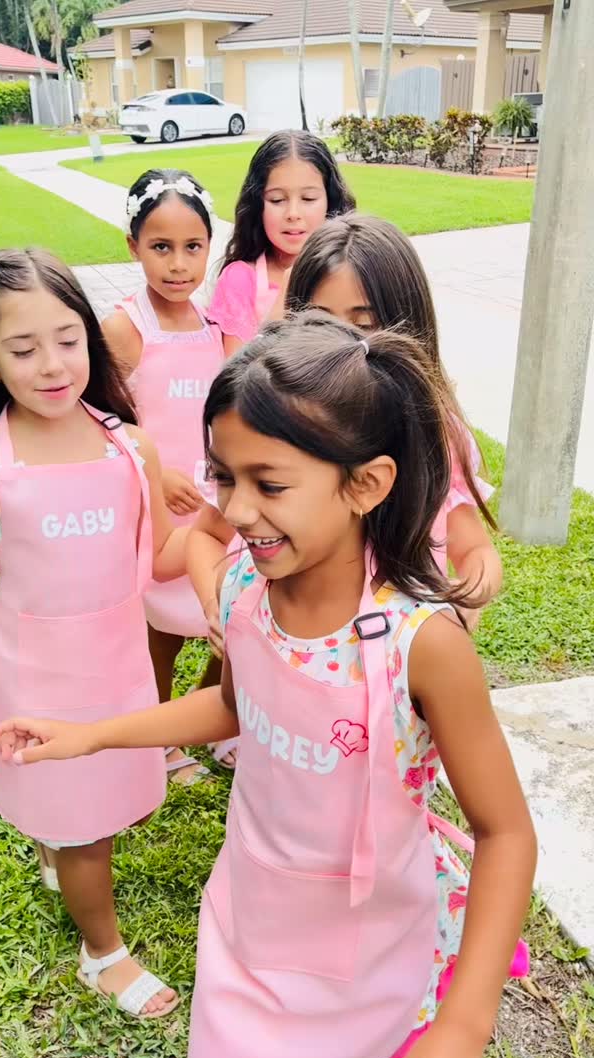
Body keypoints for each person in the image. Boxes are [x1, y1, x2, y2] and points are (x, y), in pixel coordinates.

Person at [0, 314, 536, 1058]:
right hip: (251, 926)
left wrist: (462, 1032)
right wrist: (93, 734)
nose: (237, 510)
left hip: (380, 940)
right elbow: (235, 708)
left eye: (269, 485)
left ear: (366, 484)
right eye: (223, 476)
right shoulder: (246, 587)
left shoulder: (423, 645)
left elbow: (506, 834)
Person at [0, 247, 187, 1019]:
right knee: (86, 828)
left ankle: (57, 844)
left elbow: (158, 559)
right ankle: (103, 954)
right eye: (23, 349)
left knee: (115, 802)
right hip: (33, 682)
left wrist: (228, 526)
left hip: (118, 670)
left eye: (67, 340)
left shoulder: (132, 447)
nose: (52, 365)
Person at [286, 213, 502, 623]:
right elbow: (212, 535)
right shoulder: (278, 429)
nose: (341, 343)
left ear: (410, 328)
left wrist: (462, 607)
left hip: (404, 652)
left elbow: (475, 551)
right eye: (320, 322)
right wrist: (216, 600)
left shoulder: (437, 435)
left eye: (364, 324)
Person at [102, 169, 230, 781]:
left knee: (227, 612)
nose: (178, 264)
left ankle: (214, 719)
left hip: (215, 505)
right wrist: (155, 474)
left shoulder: (215, 326)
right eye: (161, 247)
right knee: (160, 632)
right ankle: (157, 738)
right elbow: (101, 421)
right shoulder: (126, 329)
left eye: (192, 247)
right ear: (133, 246)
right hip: (156, 511)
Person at [207, 130, 356, 353]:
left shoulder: (352, 270)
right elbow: (238, 372)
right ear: (258, 204)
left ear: (330, 200)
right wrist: (285, 297)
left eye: (308, 199)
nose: (293, 214)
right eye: (277, 200)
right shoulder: (240, 279)